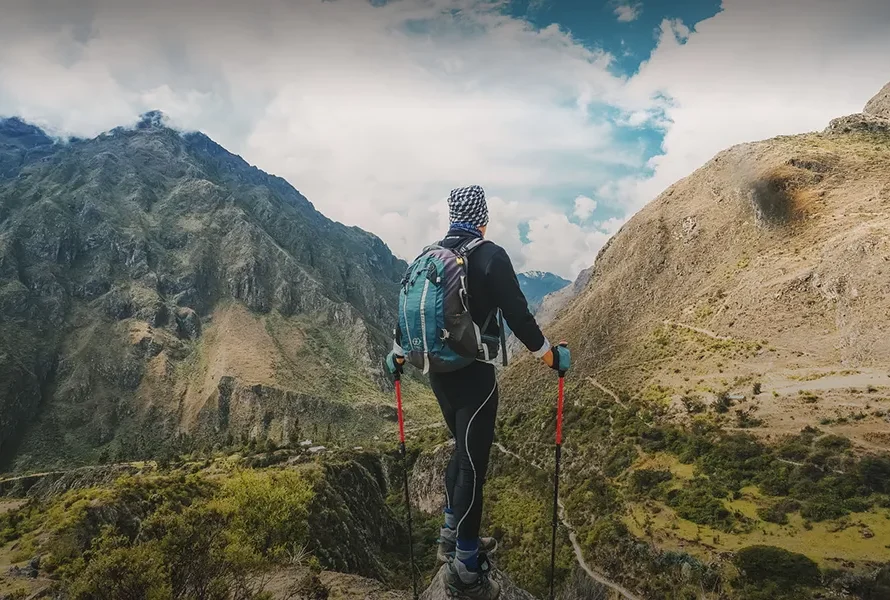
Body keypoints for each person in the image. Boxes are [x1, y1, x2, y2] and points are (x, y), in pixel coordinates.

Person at [385, 185, 571, 600]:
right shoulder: (490, 256)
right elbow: (520, 316)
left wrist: (396, 359)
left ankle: (450, 536)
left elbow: (406, 317)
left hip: (436, 374)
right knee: (473, 466)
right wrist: (550, 358)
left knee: (460, 449)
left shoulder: (427, 256)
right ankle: (465, 566)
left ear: (452, 215)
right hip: (474, 377)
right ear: (483, 216)